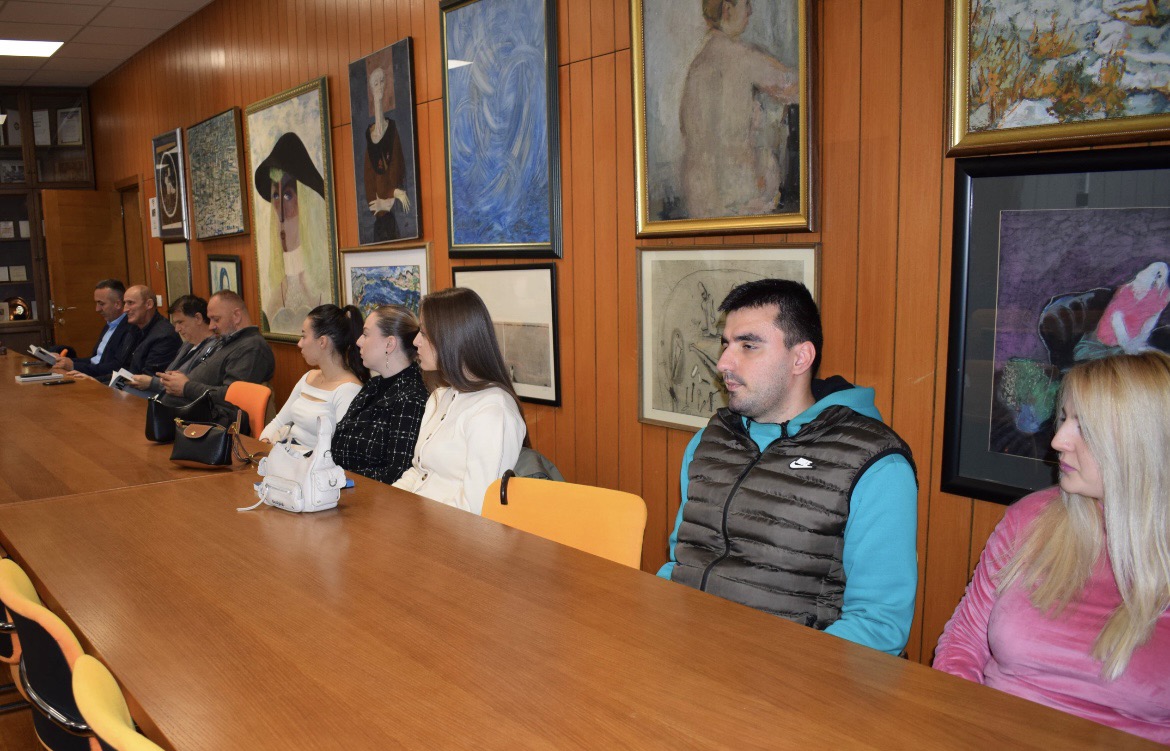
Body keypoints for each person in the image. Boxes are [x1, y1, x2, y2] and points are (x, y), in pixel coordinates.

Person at [656, 279, 918, 655]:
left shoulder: (876, 465)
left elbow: (879, 627)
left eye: (748, 345)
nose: (724, 363)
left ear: (800, 358)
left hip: (794, 674)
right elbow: (681, 563)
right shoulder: (709, 442)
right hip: (690, 654)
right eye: (726, 344)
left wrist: (774, 671)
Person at [934, 352, 1170, 744]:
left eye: (1086, 428)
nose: (1058, 440)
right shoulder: (1030, 519)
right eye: (1064, 418)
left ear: (1143, 444)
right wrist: (955, 729)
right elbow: (963, 641)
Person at [393, 288, 526, 514]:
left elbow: (477, 508)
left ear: (451, 339)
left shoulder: (493, 411)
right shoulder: (440, 397)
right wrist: (389, 502)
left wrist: (414, 519)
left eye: (423, 333)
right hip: (418, 520)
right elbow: (419, 472)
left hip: (450, 531)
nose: (416, 341)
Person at [679, 0, 797, 219]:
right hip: (740, 200)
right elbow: (794, 87)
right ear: (727, 10)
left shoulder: (698, 66)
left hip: (699, 205)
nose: (750, 11)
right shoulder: (742, 57)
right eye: (746, 3)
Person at [331, 305, 428, 484]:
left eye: (366, 334)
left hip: (367, 494)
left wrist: (337, 478)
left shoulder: (411, 398)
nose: (359, 341)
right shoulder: (373, 385)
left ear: (389, 344)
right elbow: (338, 441)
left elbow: (396, 473)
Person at [254, 132, 333, 336]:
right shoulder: (276, 293)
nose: (281, 213)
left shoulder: (324, 287)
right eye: (276, 195)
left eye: (288, 195)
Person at [159, 290, 275, 426]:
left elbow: (232, 397)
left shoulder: (252, 347)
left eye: (216, 319)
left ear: (237, 316)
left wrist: (186, 387)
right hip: (180, 418)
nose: (211, 326)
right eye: (210, 319)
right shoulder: (227, 341)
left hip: (208, 427)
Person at [260, 305, 365, 448]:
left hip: (312, 460)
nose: (299, 343)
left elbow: (339, 450)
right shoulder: (308, 377)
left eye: (304, 336)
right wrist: (264, 443)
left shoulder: (349, 391)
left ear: (322, 342)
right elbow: (278, 422)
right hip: (286, 453)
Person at [127, 295, 217, 395]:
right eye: (175, 324)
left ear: (198, 318)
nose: (177, 329)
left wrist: (152, 383)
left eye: (180, 322)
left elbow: (188, 385)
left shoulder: (214, 348)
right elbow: (168, 374)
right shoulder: (187, 344)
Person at [364, 53, 410, 242]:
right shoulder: (369, 138)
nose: (379, 86)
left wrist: (389, 198)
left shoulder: (392, 130)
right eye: (375, 83)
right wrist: (392, 195)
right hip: (381, 221)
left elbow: (398, 171)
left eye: (382, 81)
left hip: (394, 218)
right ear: (371, 88)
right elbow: (370, 191)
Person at [51, 279, 136, 379]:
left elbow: (116, 367)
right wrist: (64, 361)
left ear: (117, 304)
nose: (97, 309)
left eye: (101, 304)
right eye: (96, 303)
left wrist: (74, 366)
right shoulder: (109, 325)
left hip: (104, 381)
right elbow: (95, 360)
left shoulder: (130, 329)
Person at [110, 284, 181, 380]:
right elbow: (123, 370)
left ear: (149, 304)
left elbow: (147, 380)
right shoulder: (133, 328)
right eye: (125, 303)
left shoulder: (164, 336)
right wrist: (98, 382)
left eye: (130, 303)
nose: (125, 309)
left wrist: (107, 385)